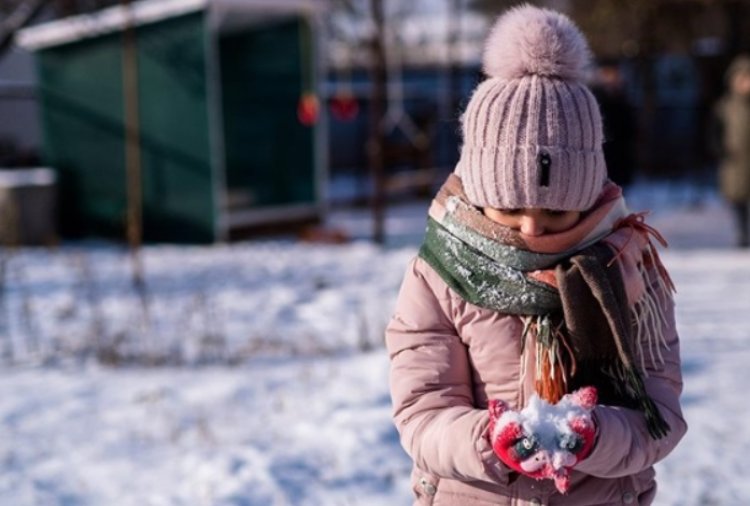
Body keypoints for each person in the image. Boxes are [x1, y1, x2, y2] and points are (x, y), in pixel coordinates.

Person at [385, 5, 687, 506]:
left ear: (589, 197)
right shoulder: (438, 274)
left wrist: (594, 436)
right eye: (509, 208)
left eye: (555, 214)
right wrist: (487, 438)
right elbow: (422, 410)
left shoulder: (630, 267)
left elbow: (660, 415)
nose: (530, 227)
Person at [711, 54, 750, 248]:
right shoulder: (725, 106)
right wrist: (721, 150)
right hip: (735, 163)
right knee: (738, 202)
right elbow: (714, 132)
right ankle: (743, 235)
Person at [590, 60, 638, 189]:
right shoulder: (595, 95)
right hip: (604, 148)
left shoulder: (622, 94)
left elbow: (629, 122)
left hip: (620, 147)